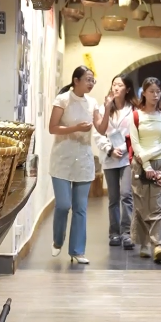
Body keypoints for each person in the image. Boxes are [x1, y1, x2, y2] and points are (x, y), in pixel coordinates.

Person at [48, 65, 113, 264]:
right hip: (62, 158)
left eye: (93, 80)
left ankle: (77, 251)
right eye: (87, 79)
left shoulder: (92, 103)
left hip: (83, 159)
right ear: (76, 81)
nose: (91, 83)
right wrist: (75, 128)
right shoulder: (62, 100)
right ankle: (58, 240)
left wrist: (108, 108)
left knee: (80, 208)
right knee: (63, 205)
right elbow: (52, 128)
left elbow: (101, 129)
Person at [128, 77, 161, 263]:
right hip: (140, 164)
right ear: (144, 93)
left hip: (160, 163)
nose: (155, 95)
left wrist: (147, 159)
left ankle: (158, 244)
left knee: (158, 203)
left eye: (158, 92)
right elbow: (135, 143)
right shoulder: (135, 116)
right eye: (151, 91)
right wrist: (146, 165)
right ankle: (144, 243)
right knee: (141, 204)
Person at [92, 75, 137, 249]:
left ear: (128, 89)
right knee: (113, 197)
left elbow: (136, 133)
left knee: (126, 194)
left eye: (120, 85)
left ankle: (127, 233)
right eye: (114, 84)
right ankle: (114, 233)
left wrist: (123, 149)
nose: (116, 88)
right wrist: (110, 149)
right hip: (109, 157)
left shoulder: (133, 109)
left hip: (126, 158)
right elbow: (98, 133)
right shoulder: (103, 108)